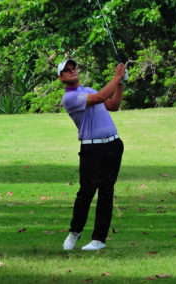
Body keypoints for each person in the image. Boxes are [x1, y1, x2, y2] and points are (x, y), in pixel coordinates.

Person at [58, 59, 125, 251]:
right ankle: (75, 232)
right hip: (91, 148)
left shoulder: (89, 90)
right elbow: (98, 99)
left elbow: (112, 105)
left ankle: (99, 239)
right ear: (61, 78)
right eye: (67, 71)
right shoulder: (68, 98)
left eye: (73, 68)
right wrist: (116, 77)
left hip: (113, 144)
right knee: (86, 192)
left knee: (106, 192)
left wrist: (120, 84)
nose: (72, 72)